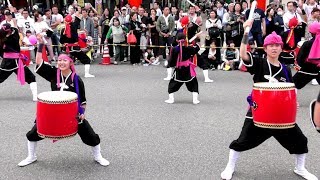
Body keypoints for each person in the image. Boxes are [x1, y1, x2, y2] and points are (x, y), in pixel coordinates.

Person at [220, 19, 318, 180]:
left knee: (300, 141)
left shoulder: (285, 70)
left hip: (281, 115)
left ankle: (300, 169)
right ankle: (230, 167)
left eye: (277, 45)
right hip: (259, 112)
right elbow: (243, 53)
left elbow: (290, 90)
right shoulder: (258, 63)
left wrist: (294, 103)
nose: (274, 48)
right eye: (270, 45)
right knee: (242, 141)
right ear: (265, 48)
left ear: (281, 48)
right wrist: (246, 31)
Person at [18, 36, 109, 167]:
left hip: (72, 113)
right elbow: (38, 63)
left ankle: (98, 156)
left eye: (64, 61)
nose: (61, 63)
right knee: (33, 134)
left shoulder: (77, 79)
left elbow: (83, 100)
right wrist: (41, 45)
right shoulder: (53, 73)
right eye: (59, 60)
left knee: (91, 135)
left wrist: (82, 113)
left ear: (70, 63)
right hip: (52, 112)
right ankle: (31, 156)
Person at [0, 23, 37, 101]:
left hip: (16, 61)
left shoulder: (14, 33)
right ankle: (35, 96)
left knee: (31, 77)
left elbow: (15, 34)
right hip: (8, 63)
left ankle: (35, 96)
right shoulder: (8, 39)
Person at [165, 32, 201, 105]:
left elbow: (172, 60)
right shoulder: (189, 48)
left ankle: (171, 99)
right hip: (188, 68)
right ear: (185, 40)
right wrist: (196, 41)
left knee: (173, 83)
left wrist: (170, 65)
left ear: (177, 40)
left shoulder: (175, 49)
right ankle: (195, 100)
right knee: (194, 83)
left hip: (179, 69)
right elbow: (197, 49)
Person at [293, 22, 320, 89]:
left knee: (292, 85)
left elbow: (300, 59)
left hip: (307, 68)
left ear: (311, 32)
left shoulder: (307, 44)